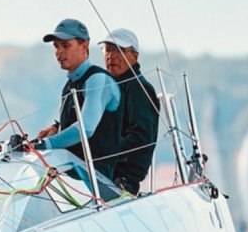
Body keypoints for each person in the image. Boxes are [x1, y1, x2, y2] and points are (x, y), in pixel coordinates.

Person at [31, 18, 122, 179]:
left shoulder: (97, 79)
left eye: (65, 45)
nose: (59, 52)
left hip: (98, 180)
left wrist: (45, 144)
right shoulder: (70, 84)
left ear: (85, 45)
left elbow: (86, 128)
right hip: (74, 174)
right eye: (56, 46)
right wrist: (57, 128)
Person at [98, 28, 161, 194]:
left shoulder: (138, 89)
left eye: (119, 50)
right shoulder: (107, 87)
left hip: (122, 179)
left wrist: (106, 150)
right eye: (108, 50)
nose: (111, 56)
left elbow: (141, 136)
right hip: (101, 172)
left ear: (135, 55)